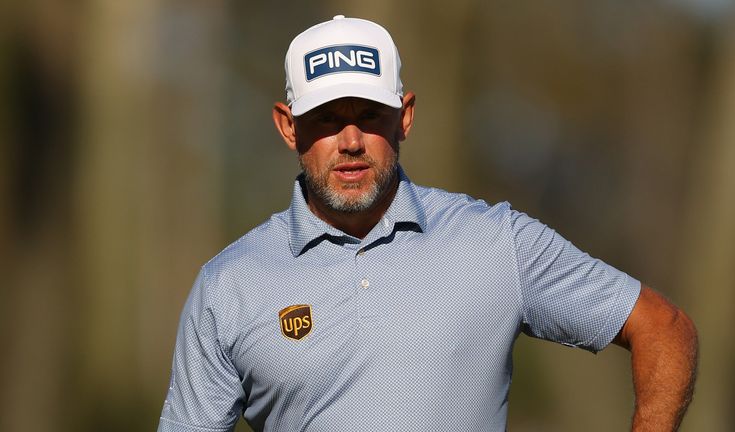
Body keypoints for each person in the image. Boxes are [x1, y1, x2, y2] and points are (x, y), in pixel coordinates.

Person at [157, 15, 698, 432]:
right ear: (287, 126)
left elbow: (663, 328)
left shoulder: (494, 242)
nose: (350, 141)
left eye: (369, 115)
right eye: (326, 119)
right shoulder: (229, 286)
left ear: (405, 116)